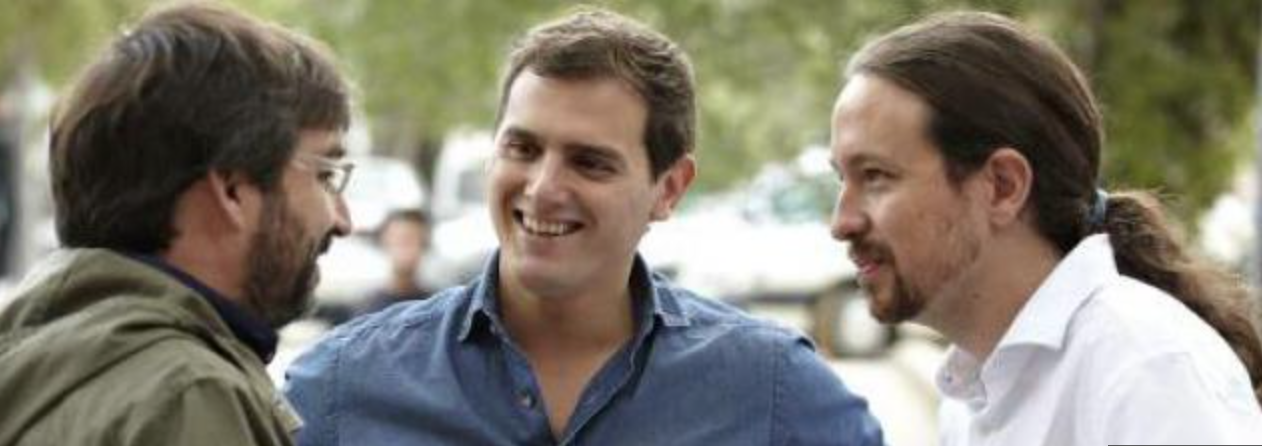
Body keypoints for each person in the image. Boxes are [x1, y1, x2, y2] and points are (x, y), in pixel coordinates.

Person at [285, 8, 883, 445]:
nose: (543, 187)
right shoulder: (343, 387)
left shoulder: (773, 393)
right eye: (522, 148)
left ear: (669, 189)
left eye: (590, 162)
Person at [828, 11, 1262, 445]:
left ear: (1003, 186)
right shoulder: (970, 395)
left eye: (875, 176)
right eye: (841, 180)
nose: (841, 222)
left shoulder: (1145, 368)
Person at [0, 2, 353, 445]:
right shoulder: (187, 396)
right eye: (325, 175)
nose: (343, 220)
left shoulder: (32, 366)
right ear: (232, 188)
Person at [361, 208, 434, 314]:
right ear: (385, 242)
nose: (406, 249)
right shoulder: (368, 308)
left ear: (425, 245)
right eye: (400, 240)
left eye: (413, 240)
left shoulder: (437, 306)